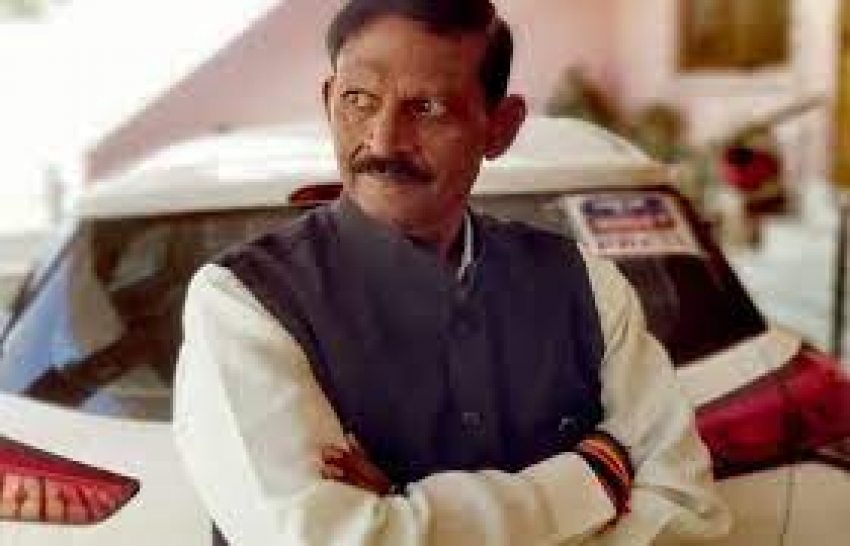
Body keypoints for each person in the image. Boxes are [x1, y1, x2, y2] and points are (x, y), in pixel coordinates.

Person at [173, 0, 731, 544]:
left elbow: (687, 511)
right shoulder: (243, 303)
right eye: (359, 100)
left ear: (500, 128)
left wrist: (405, 509)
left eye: (428, 108)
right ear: (328, 102)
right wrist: (591, 480)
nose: (383, 141)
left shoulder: (583, 284)